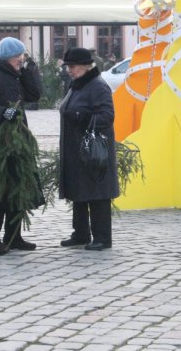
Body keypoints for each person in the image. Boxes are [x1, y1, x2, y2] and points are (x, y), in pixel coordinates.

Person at [0, 37, 42, 254]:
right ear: (11, 57)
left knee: (17, 189)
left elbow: (34, 95)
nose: (22, 59)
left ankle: (13, 236)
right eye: (20, 56)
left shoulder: (15, 74)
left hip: (18, 141)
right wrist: (3, 112)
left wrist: (28, 72)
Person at [59, 47, 119, 251]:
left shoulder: (98, 86)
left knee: (97, 193)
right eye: (68, 66)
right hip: (77, 150)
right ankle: (81, 233)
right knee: (79, 192)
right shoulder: (78, 84)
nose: (69, 70)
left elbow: (107, 116)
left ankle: (102, 237)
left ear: (86, 66)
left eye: (73, 66)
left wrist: (82, 117)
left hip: (93, 151)